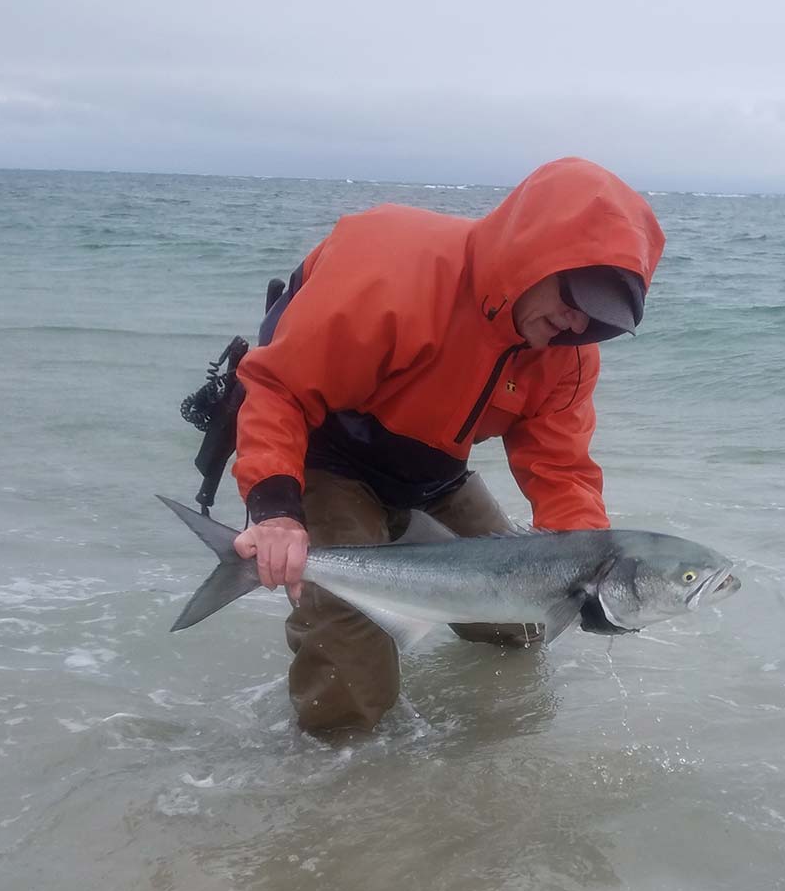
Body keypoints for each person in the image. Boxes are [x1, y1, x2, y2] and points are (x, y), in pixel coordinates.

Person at [230, 156, 666, 733]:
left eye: (597, 317)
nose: (574, 322)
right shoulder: (392, 269)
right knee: (354, 676)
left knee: (526, 624)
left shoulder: (569, 357)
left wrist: (592, 566)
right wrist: (276, 511)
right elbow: (279, 390)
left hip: (433, 472)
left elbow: (561, 468)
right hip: (326, 453)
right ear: (529, 252)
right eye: (571, 296)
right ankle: (332, 785)